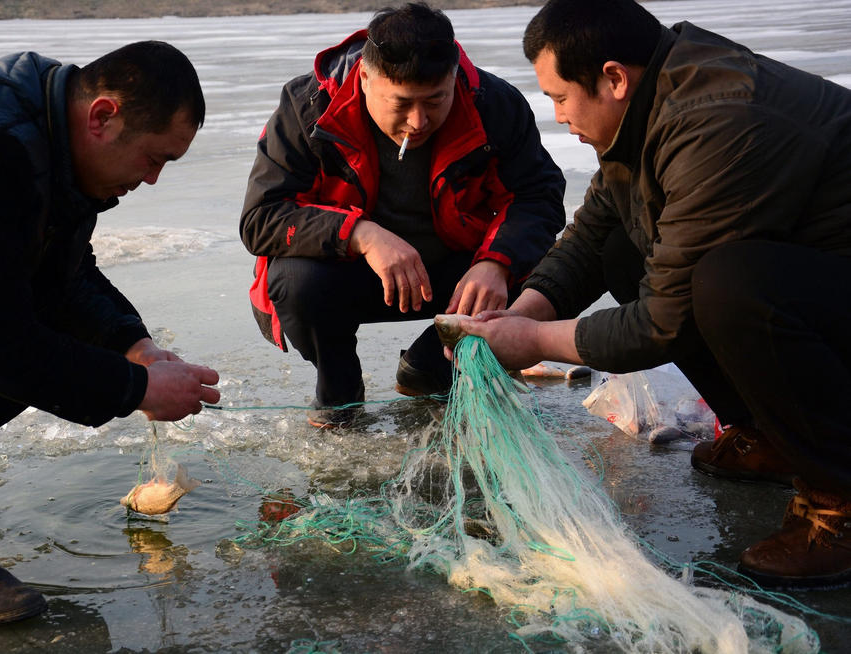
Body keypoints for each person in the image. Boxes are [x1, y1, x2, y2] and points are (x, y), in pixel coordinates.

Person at [456, 0, 851, 587]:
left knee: (728, 285)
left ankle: (839, 500)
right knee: (626, 247)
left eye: (560, 97)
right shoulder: (650, 105)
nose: (557, 115)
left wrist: (535, 340)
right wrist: (522, 311)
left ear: (614, 78)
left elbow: (662, 322)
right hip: (820, 278)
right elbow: (594, 234)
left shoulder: (717, 121)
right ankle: (769, 436)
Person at [0, 41, 221, 625]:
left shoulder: (53, 143)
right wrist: (135, 390)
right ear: (103, 116)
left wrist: (132, 346)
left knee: (30, 334)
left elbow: (60, 277)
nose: (155, 180)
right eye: (155, 158)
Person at [239, 2, 565, 428]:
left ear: (453, 78)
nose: (418, 121)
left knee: (553, 268)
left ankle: (432, 363)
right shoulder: (309, 108)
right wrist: (361, 234)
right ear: (366, 77)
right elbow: (260, 218)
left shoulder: (493, 103)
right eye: (402, 103)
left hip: (457, 278)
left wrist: (495, 264)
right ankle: (339, 389)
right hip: (348, 276)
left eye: (435, 100)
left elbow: (538, 197)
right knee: (296, 281)